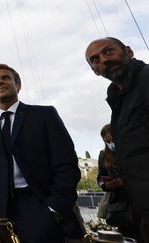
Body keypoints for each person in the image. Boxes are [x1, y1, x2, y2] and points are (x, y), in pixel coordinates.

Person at [0, 64, 84, 243]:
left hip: (40, 206)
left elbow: (66, 163)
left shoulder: (44, 115)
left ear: (18, 84)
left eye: (5, 78)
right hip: (0, 214)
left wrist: (54, 208)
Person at [86, 37, 149, 242]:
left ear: (129, 52)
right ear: (95, 71)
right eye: (95, 59)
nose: (103, 60)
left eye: (108, 51)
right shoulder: (117, 100)